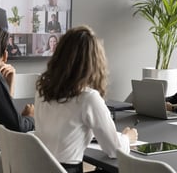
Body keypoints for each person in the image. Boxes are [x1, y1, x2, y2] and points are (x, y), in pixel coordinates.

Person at [34, 25, 138, 172]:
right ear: (94, 61)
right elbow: (115, 150)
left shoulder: (42, 90)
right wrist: (128, 137)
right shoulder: (88, 98)